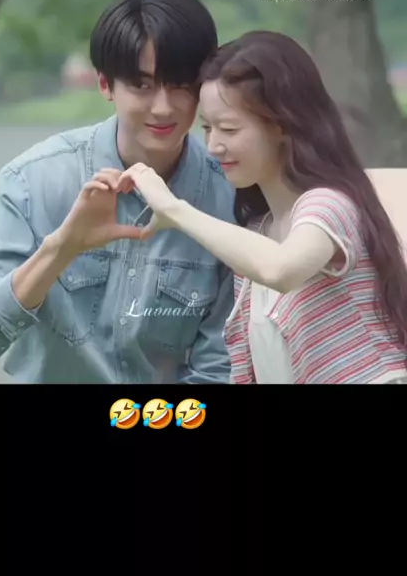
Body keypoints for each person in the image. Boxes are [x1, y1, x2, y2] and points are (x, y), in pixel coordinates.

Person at [0, 0, 237, 384]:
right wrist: (62, 247)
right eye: (142, 85)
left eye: (181, 84)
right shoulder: (35, 181)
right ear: (105, 84)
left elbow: (218, 369)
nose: (164, 107)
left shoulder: (231, 197)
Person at [104, 30, 407, 384]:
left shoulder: (329, 204)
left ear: (282, 125)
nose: (213, 146)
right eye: (208, 128)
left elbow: (280, 270)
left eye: (229, 129)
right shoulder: (256, 234)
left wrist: (174, 209)